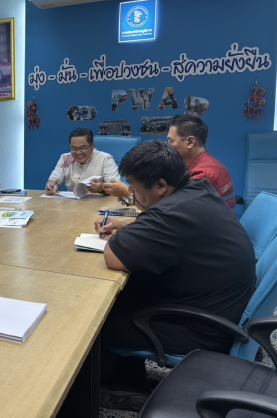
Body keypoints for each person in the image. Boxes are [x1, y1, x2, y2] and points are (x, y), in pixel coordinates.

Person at [95, 141, 255, 411]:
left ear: (160, 186)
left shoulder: (173, 213)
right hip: (215, 308)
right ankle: (127, 379)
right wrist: (129, 227)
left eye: (133, 187)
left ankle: (105, 387)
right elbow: (160, 223)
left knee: (95, 320)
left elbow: (114, 256)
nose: (131, 194)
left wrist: (121, 235)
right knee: (124, 296)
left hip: (200, 329)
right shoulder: (197, 191)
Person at [103, 115, 235, 209]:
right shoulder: (199, 166)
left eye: (171, 141)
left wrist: (127, 193)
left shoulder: (203, 175)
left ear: (190, 142)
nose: (167, 146)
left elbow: (170, 216)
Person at [45, 128, 119, 195]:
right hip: (73, 203)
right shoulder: (65, 158)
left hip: (100, 202)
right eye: (74, 149)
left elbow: (115, 187)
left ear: (92, 146)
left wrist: (101, 188)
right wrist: (51, 186)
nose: (78, 153)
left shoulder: (106, 159)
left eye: (82, 148)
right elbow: (54, 179)